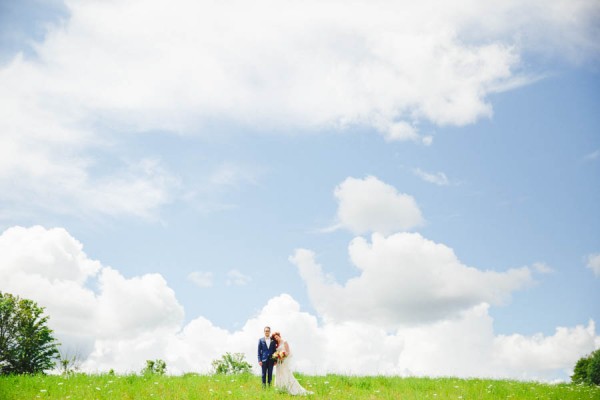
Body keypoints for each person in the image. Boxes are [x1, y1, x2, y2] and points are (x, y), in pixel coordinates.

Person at [271, 331, 312, 395]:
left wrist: (282, 356)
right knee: (279, 374)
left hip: (284, 362)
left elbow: (288, 352)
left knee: (285, 374)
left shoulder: (285, 342)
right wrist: (277, 357)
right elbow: (276, 352)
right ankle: (280, 389)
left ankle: (289, 389)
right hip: (279, 363)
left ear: (279, 336)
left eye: (277, 337)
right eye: (275, 338)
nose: (276, 338)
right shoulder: (277, 344)